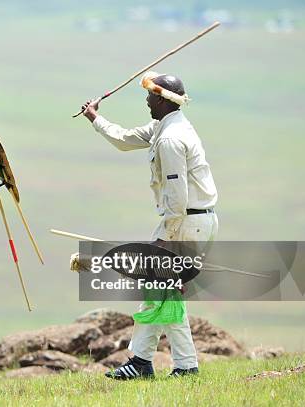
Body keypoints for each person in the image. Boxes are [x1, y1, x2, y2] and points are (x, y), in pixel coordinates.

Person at [81, 72, 218, 379]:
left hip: (184, 222)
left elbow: (176, 196)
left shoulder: (170, 139)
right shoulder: (165, 126)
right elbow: (125, 140)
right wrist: (95, 119)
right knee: (160, 290)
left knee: (165, 289)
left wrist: (165, 242)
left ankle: (181, 365)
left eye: (149, 96)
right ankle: (145, 362)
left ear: (160, 100)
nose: (146, 100)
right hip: (188, 220)